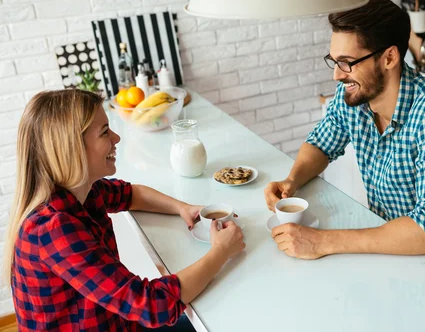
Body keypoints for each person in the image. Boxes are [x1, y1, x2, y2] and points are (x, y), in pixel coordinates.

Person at [264, 0, 425, 280]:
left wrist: (323, 241)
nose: (336, 75)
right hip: (387, 259)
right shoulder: (354, 97)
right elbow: (321, 142)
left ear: (389, 57)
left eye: (347, 63)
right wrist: (292, 181)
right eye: (334, 61)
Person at [4, 89, 245, 331]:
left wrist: (183, 208)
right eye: (104, 132)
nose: (116, 138)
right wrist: (221, 251)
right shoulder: (53, 230)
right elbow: (152, 305)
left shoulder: (83, 192)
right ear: (72, 149)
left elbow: (131, 195)